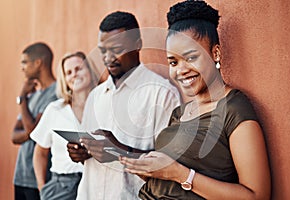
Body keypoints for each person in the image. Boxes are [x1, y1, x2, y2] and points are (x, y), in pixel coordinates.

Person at [120, 1, 271, 199]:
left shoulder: (234, 110)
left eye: (191, 58)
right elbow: (173, 178)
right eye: (173, 62)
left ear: (215, 53)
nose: (181, 70)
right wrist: (152, 172)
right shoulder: (179, 113)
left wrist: (180, 174)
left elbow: (257, 196)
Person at [67, 11, 181, 199]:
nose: (108, 58)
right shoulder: (96, 96)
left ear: (138, 44)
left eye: (116, 49)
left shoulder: (163, 95)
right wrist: (81, 153)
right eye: (103, 50)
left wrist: (118, 150)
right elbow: (90, 147)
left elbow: (169, 165)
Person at [30, 52, 98, 200]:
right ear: (65, 80)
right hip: (61, 187)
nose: (74, 74)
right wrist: (42, 189)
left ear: (90, 71)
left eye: (79, 68)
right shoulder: (55, 109)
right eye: (68, 72)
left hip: (97, 184)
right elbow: (40, 153)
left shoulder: (104, 105)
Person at [11, 42, 57, 200]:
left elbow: (33, 131)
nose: (22, 67)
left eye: (25, 62)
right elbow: (14, 136)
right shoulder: (33, 95)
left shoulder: (55, 94)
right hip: (20, 176)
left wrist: (22, 97)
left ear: (38, 63)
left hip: (38, 179)